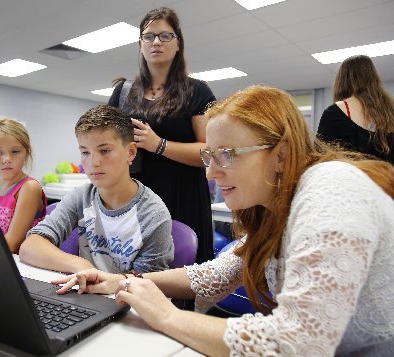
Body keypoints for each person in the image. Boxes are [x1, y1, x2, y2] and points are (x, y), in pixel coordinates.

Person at [54, 86, 394, 356]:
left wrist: (168, 315)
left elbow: (298, 345)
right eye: (208, 156)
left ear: (283, 154)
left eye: (226, 155)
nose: (212, 173)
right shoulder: (275, 207)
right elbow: (215, 274)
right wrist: (121, 282)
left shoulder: (331, 190)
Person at [108, 7, 216, 263]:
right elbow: (104, 143)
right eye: (149, 36)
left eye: (165, 36)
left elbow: (210, 153)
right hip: (134, 200)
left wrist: (159, 145)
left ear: (178, 44)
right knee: (129, 278)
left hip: (182, 198)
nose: (156, 42)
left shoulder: (197, 91)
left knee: (179, 278)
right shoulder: (123, 93)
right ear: (140, 45)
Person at [19, 105, 174, 274]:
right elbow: (30, 246)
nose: (93, 162)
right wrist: (81, 266)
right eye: (85, 152)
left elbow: (148, 283)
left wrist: (99, 279)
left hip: (126, 298)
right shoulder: (81, 197)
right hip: (85, 295)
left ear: (130, 152)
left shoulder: (153, 214)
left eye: (104, 151)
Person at [0, 117, 46, 253]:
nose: (7, 159)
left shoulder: (29, 188)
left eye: (15, 151)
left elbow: (12, 243)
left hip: (19, 262)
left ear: (26, 153)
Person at [317, 54, 394, 164]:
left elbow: (320, 158)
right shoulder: (390, 111)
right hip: (388, 179)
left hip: (352, 179)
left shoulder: (334, 112)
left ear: (342, 80)